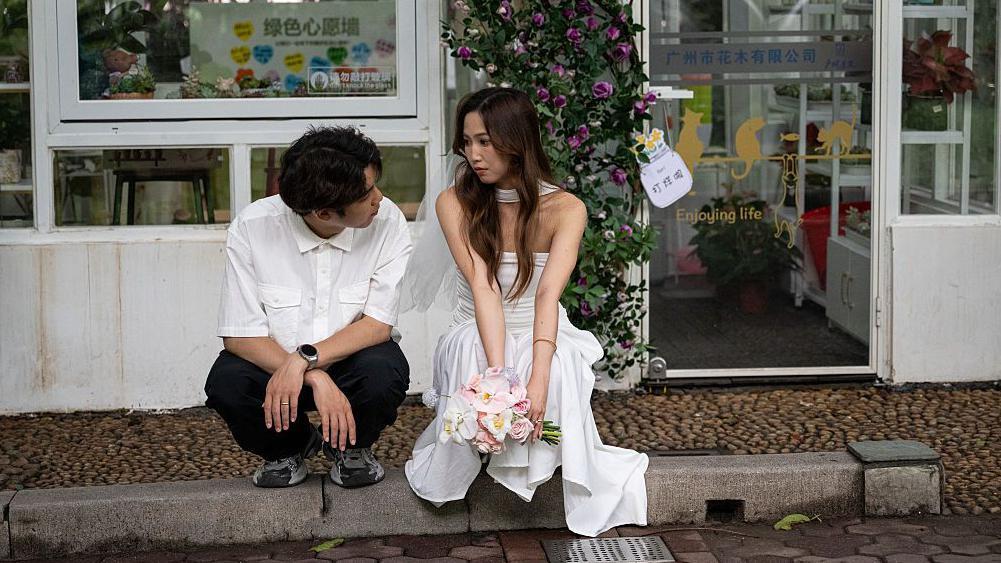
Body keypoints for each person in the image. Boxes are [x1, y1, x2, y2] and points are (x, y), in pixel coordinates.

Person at [402, 88, 648, 537]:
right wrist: (498, 379)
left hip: (543, 324)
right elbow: (484, 284)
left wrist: (533, 380)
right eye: (467, 142)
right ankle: (475, 451)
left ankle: (546, 449)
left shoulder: (566, 209)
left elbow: (546, 295)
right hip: (479, 320)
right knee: (473, 357)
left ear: (517, 142)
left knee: (552, 373)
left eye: (485, 142)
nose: (473, 154)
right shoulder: (454, 202)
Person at [205, 126, 412, 489]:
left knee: (385, 372)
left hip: (351, 361)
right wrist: (310, 372)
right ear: (323, 212)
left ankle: (349, 447)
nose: (379, 197)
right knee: (228, 383)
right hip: (275, 366)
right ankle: (291, 447)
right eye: (367, 194)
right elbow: (239, 335)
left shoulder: (388, 221)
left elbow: (377, 325)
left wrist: (305, 360)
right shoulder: (253, 227)